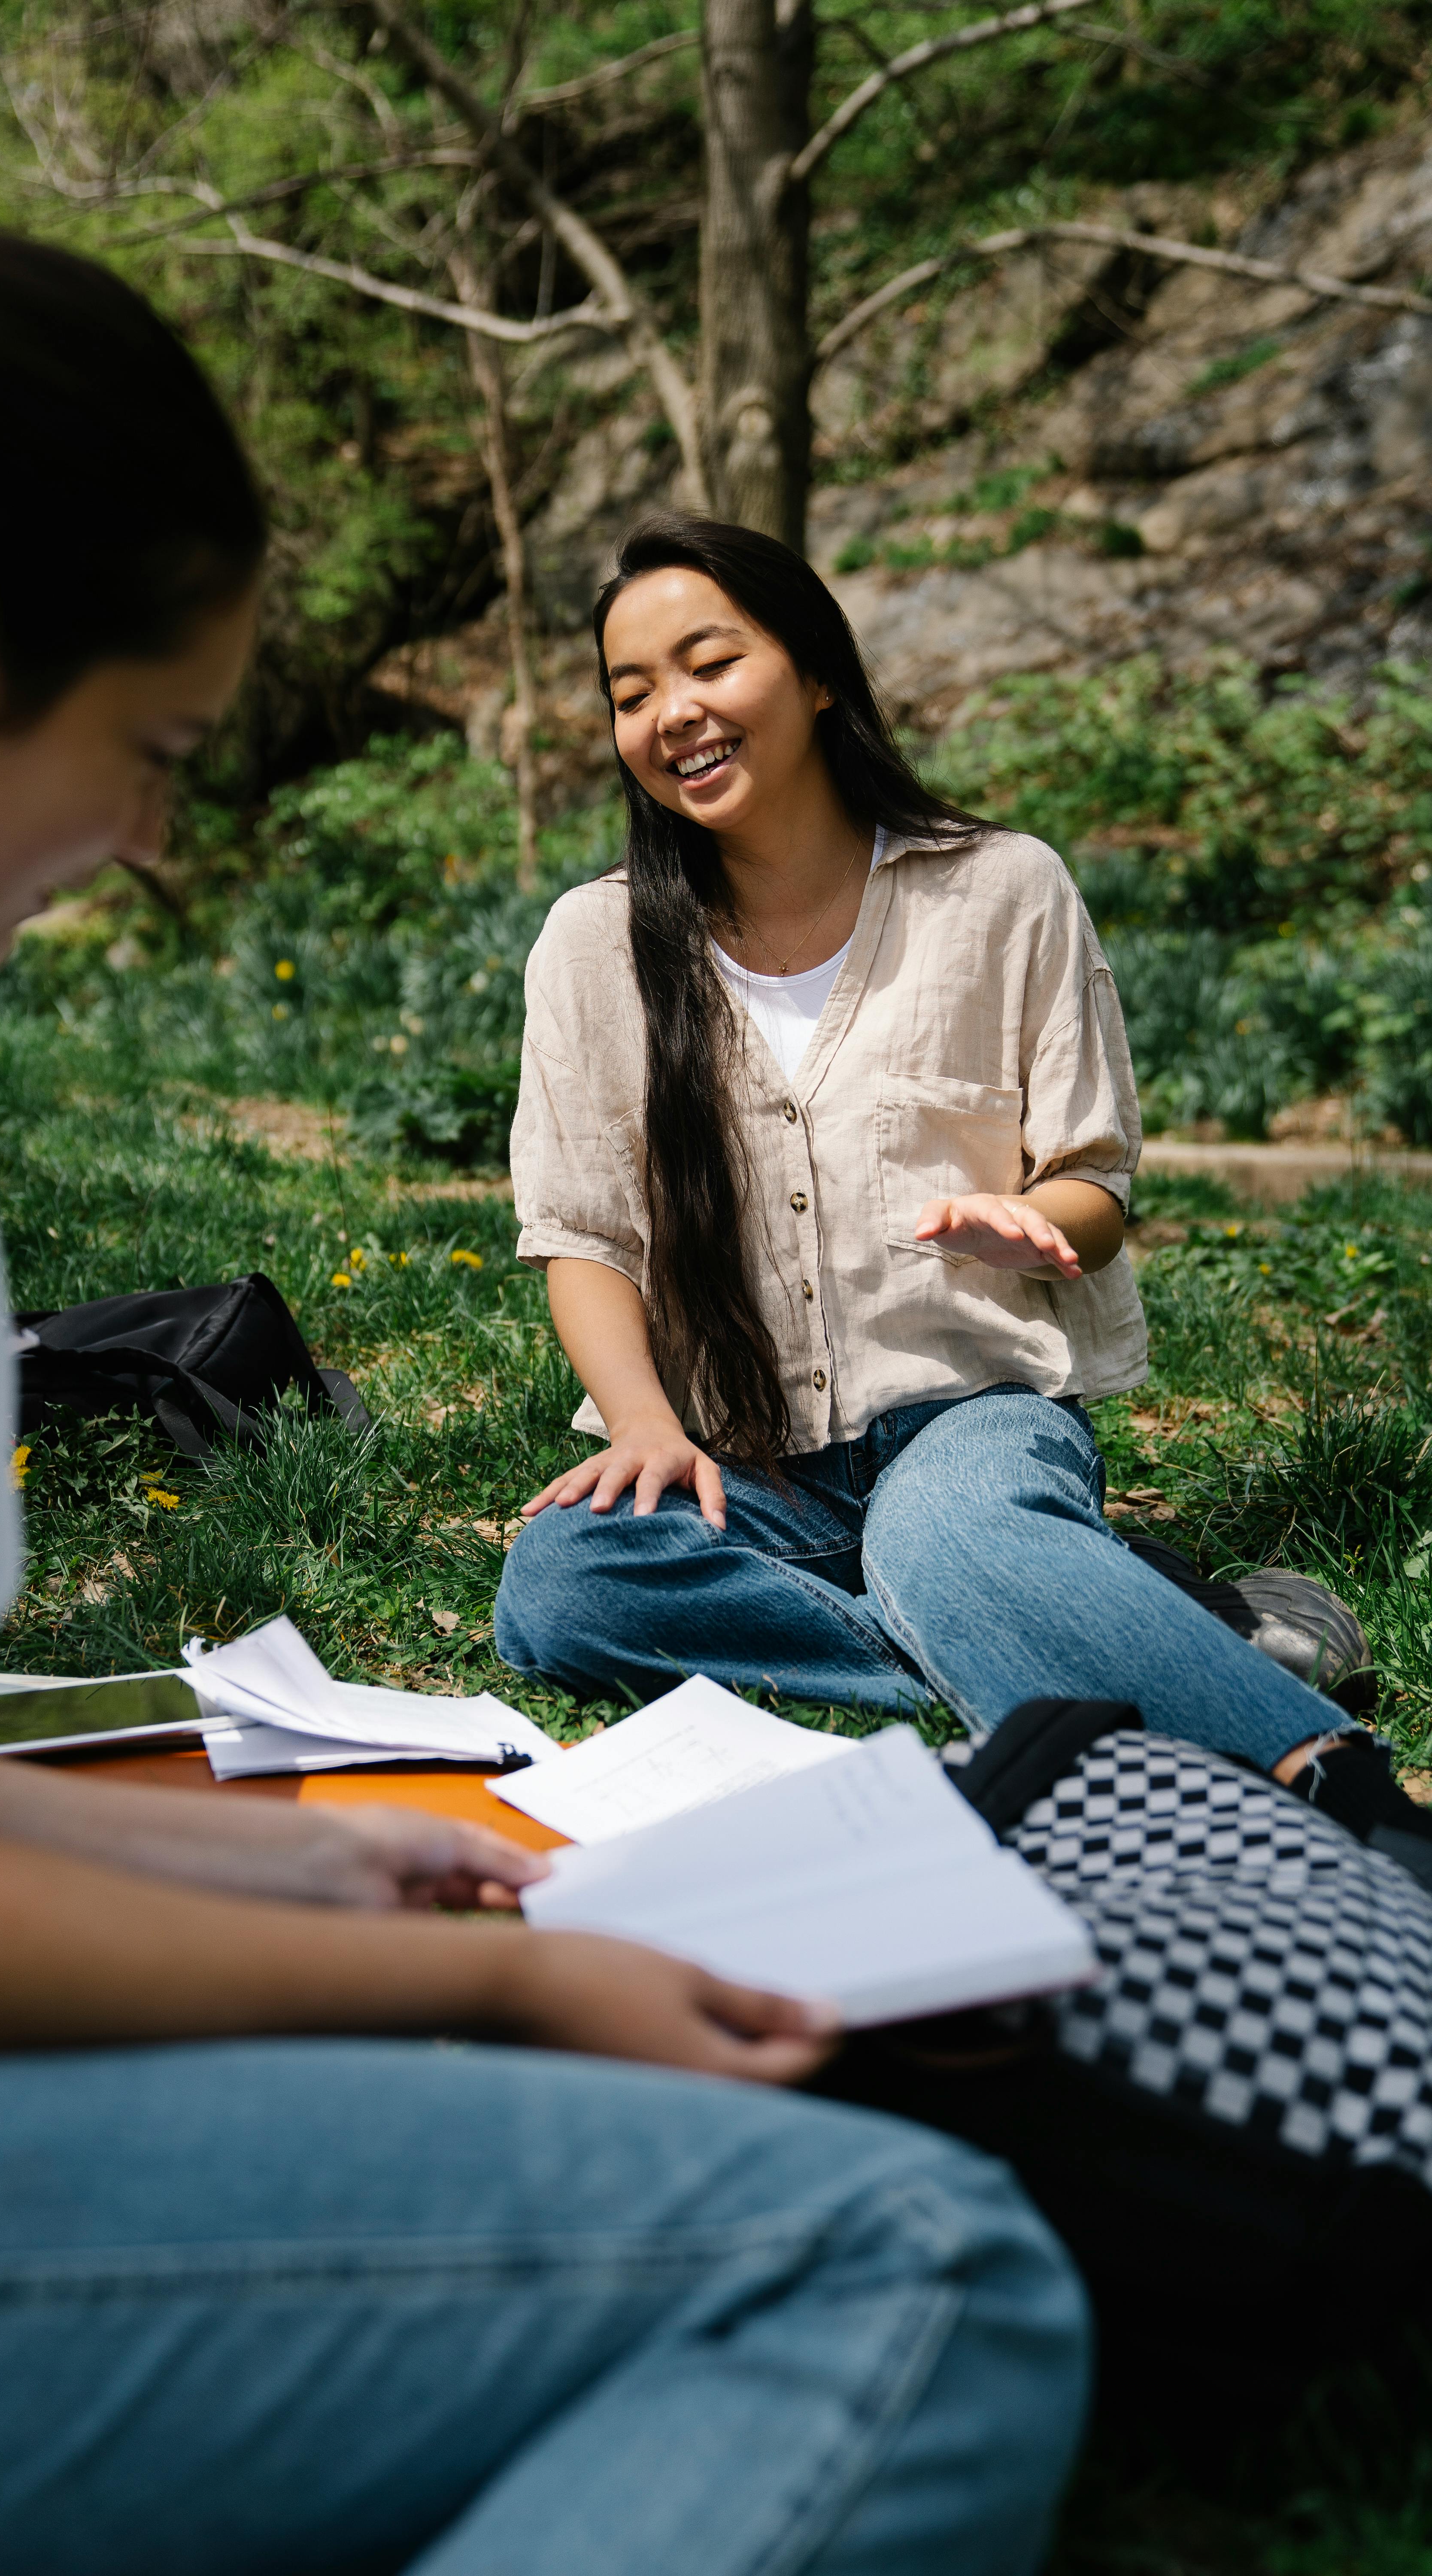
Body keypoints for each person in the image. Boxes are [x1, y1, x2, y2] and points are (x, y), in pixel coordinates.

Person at [0, 236, 1090, 2574]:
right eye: (149, 752)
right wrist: (488, 1995)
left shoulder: (995, 894)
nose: (153, 838)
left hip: (944, 1443)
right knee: (912, 2267)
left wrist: (295, 1852)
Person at [497, 512, 1428, 1844]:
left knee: (944, 1544)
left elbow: (1095, 1187)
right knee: (563, 1588)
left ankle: (1338, 1791)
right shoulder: (593, 944)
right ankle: (1139, 1624)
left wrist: (1041, 1223)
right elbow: (583, 1230)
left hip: (963, 1419)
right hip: (736, 1456)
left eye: (710, 663)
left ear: (817, 673)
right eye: (631, 693)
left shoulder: (1003, 891)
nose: (672, 715)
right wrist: (642, 1425)